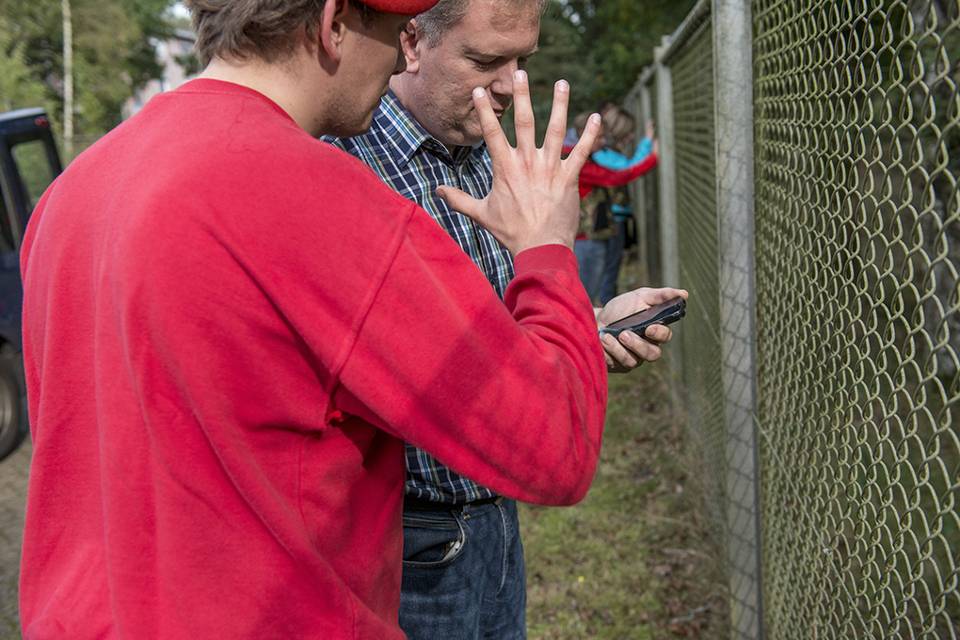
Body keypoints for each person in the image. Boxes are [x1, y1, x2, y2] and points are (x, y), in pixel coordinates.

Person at [16, 0, 627, 637]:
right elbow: (553, 445)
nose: (398, 61)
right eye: (390, 33)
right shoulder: (325, 202)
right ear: (333, 24)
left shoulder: (71, 195)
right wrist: (545, 247)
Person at [326, 2, 685, 638]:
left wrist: (587, 322)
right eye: (485, 59)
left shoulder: (494, 152)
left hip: (495, 520)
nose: (511, 84)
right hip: (406, 539)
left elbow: (494, 326)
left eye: (523, 61)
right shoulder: (343, 164)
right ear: (411, 40)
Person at [569, 108, 659, 304]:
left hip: (595, 231)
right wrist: (653, 157)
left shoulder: (585, 157)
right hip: (589, 236)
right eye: (599, 137)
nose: (603, 142)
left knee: (601, 280)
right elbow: (617, 176)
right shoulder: (578, 160)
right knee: (589, 293)